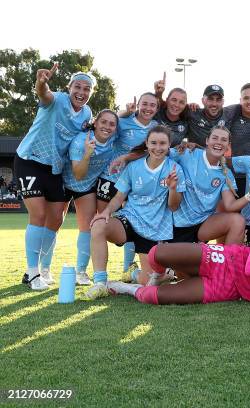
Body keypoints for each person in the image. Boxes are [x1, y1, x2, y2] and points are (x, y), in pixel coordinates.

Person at [105, 211, 250, 306]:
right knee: (157, 253)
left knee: (151, 297)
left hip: (230, 288)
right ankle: (158, 277)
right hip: (226, 259)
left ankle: (124, 288)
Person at [14, 63, 95, 290]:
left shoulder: (87, 113)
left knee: (56, 220)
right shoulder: (57, 99)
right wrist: (41, 83)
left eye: (86, 89)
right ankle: (32, 273)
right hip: (30, 160)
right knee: (38, 215)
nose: (81, 92)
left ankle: (44, 269)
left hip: (54, 168)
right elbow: (44, 95)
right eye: (77, 87)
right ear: (68, 88)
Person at [87, 126, 185, 299]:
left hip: (155, 229)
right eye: (153, 142)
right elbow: (119, 197)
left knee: (148, 283)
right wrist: (106, 212)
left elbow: (173, 206)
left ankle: (133, 274)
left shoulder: (175, 169)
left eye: (162, 143)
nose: (158, 147)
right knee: (99, 226)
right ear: (146, 144)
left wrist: (173, 188)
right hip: (130, 219)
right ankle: (100, 283)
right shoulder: (134, 167)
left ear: (169, 145)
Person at [97, 93, 159, 278]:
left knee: (134, 223)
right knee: (98, 220)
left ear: (157, 109)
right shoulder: (123, 122)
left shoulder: (155, 127)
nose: (148, 108)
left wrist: (126, 157)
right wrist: (124, 112)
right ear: (138, 104)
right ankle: (84, 271)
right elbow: (108, 122)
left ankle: (128, 269)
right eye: (145, 104)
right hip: (110, 178)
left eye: (153, 105)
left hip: (134, 182)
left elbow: (148, 151)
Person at [169, 125, 250, 245]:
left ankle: (229, 262)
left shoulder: (226, 173)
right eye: (215, 138)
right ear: (207, 141)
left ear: (228, 145)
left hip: (203, 225)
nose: (219, 142)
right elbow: (159, 154)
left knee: (238, 220)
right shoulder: (188, 153)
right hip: (177, 224)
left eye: (224, 140)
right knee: (184, 263)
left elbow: (230, 206)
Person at [62, 110, 119, 285]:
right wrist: (88, 153)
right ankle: (43, 270)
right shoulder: (81, 141)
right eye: (104, 122)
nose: (107, 127)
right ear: (95, 123)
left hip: (86, 187)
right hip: (65, 181)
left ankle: (81, 272)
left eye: (112, 124)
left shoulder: (113, 142)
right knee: (54, 223)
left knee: (87, 227)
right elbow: (78, 174)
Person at [151, 72, 189, 144]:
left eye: (181, 102)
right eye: (174, 100)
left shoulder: (187, 122)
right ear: (167, 100)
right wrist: (158, 93)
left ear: (185, 105)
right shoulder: (156, 113)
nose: (177, 105)